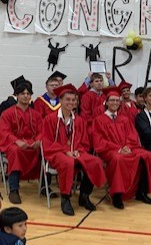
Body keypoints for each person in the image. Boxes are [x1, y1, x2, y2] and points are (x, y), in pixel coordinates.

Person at [41, 84, 107, 216]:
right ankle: (65, 198)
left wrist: (78, 150)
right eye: (68, 99)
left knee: (94, 161)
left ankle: (84, 195)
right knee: (68, 162)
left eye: (73, 100)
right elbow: (47, 142)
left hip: (76, 152)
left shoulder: (79, 121)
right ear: (60, 100)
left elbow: (84, 142)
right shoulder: (50, 119)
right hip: (56, 153)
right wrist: (65, 151)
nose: (71, 102)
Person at [92, 87, 151, 209]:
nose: (115, 103)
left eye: (117, 101)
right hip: (109, 151)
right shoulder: (99, 120)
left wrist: (127, 146)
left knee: (148, 156)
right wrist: (118, 149)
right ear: (106, 102)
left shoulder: (124, 119)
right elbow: (99, 141)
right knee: (119, 158)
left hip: (129, 147)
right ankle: (117, 195)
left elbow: (132, 136)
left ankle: (141, 192)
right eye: (112, 100)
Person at [0, 80, 42, 205]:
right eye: (22, 93)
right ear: (17, 95)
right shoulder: (7, 113)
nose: (26, 96)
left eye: (28, 94)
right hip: (14, 144)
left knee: (44, 150)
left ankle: (44, 186)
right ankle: (14, 189)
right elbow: (3, 132)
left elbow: (42, 131)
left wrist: (38, 140)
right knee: (15, 151)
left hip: (32, 144)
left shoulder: (36, 114)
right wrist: (16, 141)